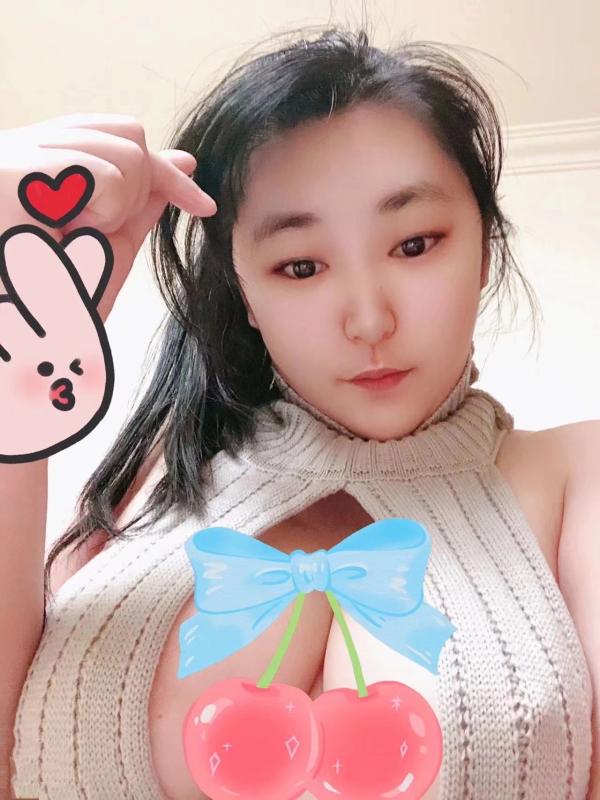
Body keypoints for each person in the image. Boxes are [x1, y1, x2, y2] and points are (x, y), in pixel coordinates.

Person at [3, 21, 596, 800]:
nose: (369, 320)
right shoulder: (145, 492)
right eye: (302, 265)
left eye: (415, 244)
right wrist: (19, 370)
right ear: (244, 294)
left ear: (484, 245)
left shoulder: (576, 479)